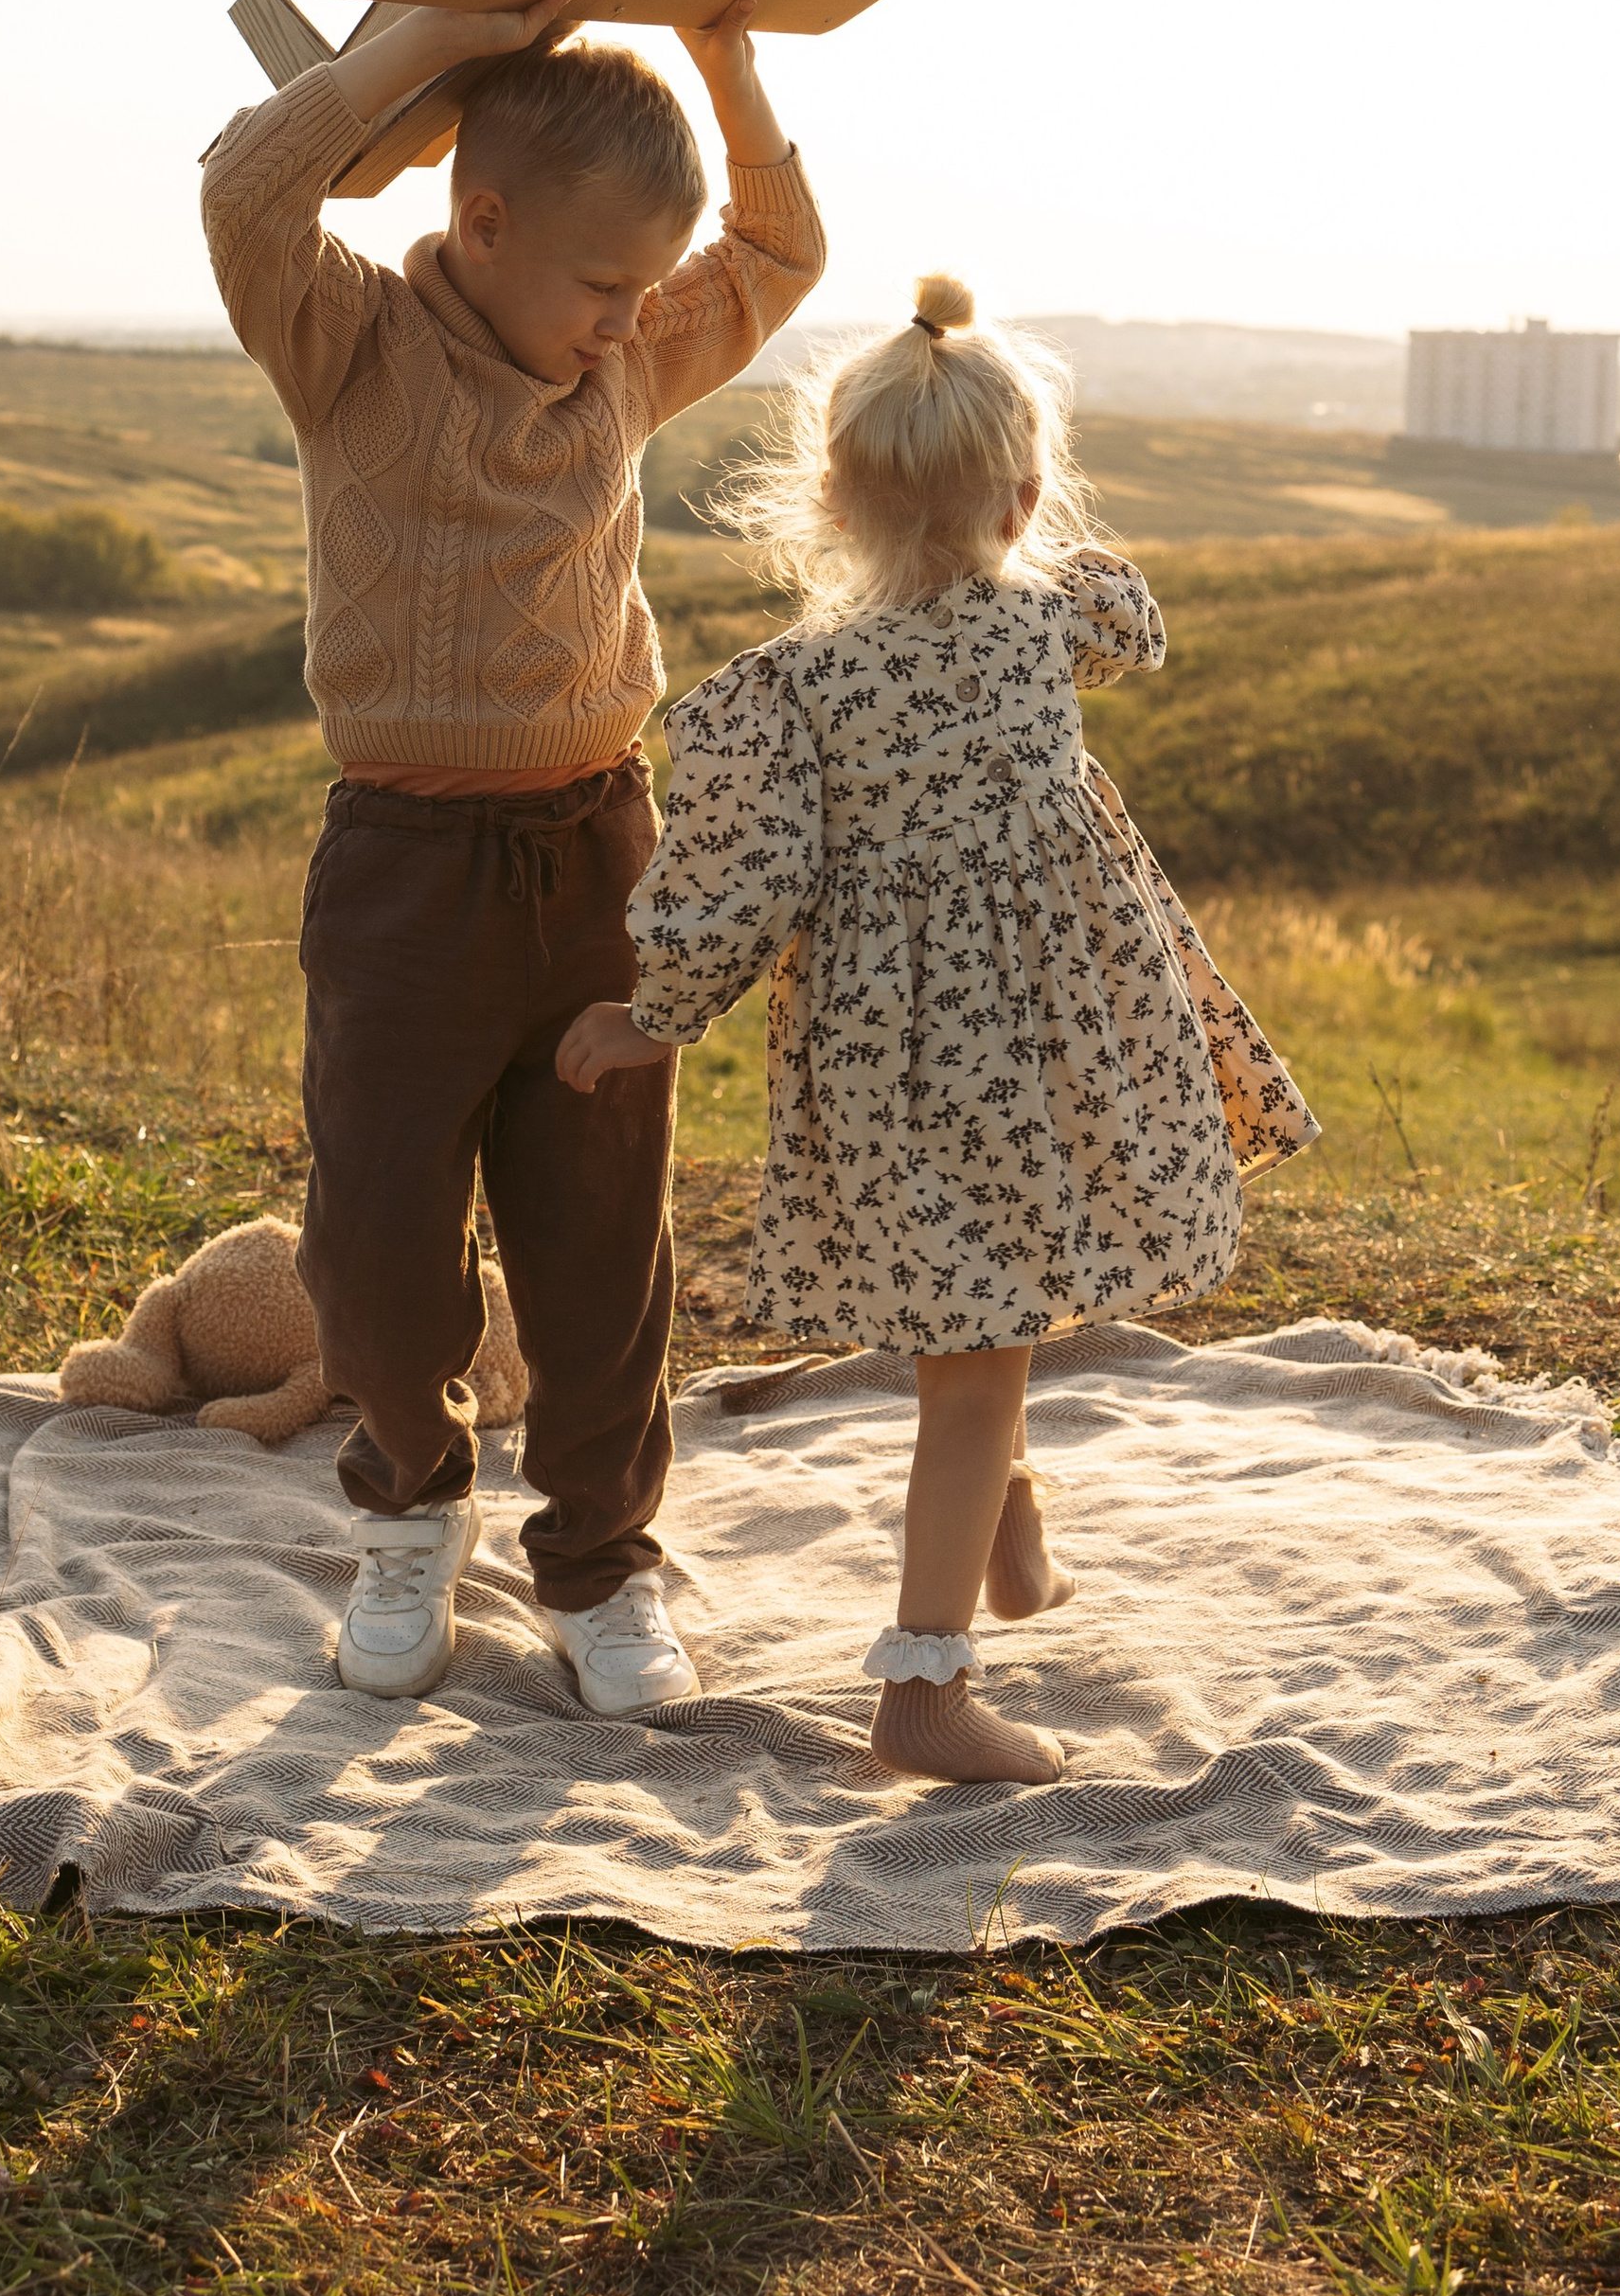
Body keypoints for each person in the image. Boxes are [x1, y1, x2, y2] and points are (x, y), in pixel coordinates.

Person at [557, 275, 1318, 1784]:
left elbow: (742, 882)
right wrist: (1032, 528)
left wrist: (656, 1014)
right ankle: (923, 1690)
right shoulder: (1053, 619)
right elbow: (1134, 621)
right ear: (1025, 493)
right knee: (979, 1342)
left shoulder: (800, 691)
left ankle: (1005, 1511)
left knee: (973, 1308)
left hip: (900, 1062)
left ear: (827, 500)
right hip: (1066, 1045)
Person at [201, 0, 826, 1714]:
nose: (633, 319)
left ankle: (601, 1570)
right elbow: (250, 195)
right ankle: (411, 1519)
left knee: (599, 1244)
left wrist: (726, 61)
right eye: (604, 282)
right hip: (404, 867)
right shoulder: (350, 344)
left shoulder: (617, 360)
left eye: (645, 287)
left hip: (599, 852)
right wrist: (419, 42)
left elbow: (782, 252)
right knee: (379, 1246)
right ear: (478, 226)